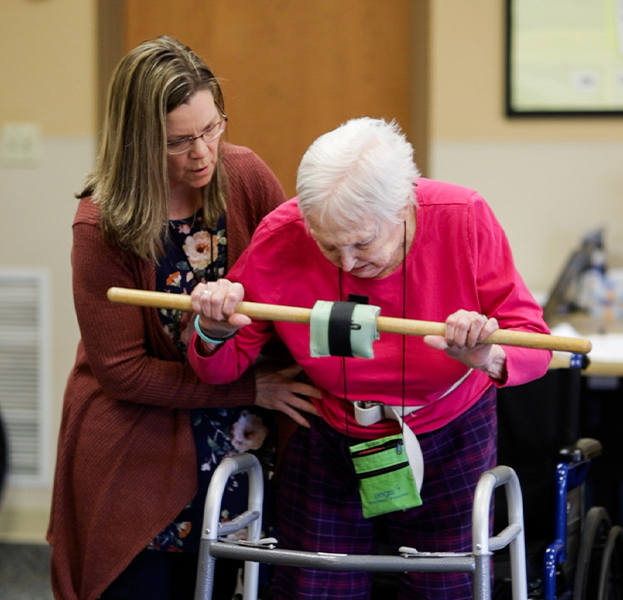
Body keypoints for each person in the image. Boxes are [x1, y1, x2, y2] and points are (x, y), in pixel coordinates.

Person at [186, 117, 552, 600]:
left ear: (403, 205)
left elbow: (537, 346)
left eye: (362, 243)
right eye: (327, 244)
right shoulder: (283, 234)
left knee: (444, 589)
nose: (347, 264)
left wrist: (487, 354)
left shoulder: (462, 217)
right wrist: (211, 331)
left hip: (451, 431)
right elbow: (221, 366)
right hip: (330, 428)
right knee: (313, 588)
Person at [46, 36, 319, 600]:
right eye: (179, 142)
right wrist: (249, 387)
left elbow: (303, 281)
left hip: (245, 437)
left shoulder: (244, 176)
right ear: (139, 140)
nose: (203, 153)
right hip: (139, 436)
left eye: (212, 128)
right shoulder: (102, 223)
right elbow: (122, 373)